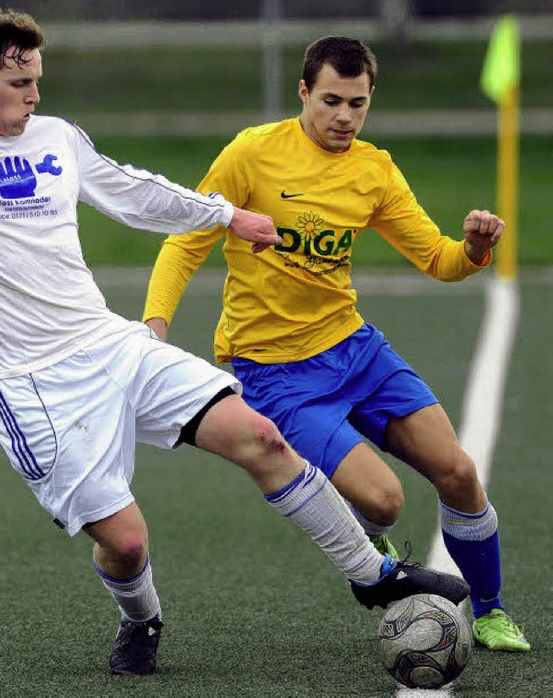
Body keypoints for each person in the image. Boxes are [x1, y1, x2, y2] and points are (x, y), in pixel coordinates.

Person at [0, 11, 472, 678]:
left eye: (38, 80)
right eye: (19, 82)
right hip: (28, 380)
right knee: (124, 543)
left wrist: (226, 213)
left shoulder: (56, 138)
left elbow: (132, 192)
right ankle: (141, 618)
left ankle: (372, 574)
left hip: (109, 343)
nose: (35, 95)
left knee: (261, 436)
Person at [143, 35, 529, 652]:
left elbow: (437, 258)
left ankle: (489, 612)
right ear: (303, 92)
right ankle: (363, 549)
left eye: (357, 103)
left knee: (458, 473)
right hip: (274, 373)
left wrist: (476, 250)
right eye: (330, 101)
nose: (344, 117)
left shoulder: (373, 170)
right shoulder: (252, 154)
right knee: (384, 503)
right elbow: (186, 241)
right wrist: (156, 326)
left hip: (355, 351)